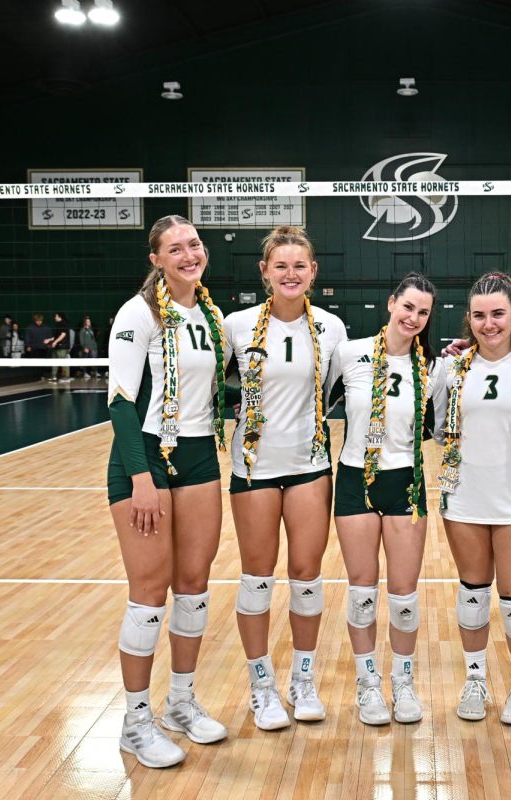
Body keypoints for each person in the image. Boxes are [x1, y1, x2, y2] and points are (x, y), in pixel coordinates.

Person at [105, 214, 228, 768]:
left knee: (194, 584)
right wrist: (141, 478)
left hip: (200, 455)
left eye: (194, 244)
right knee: (150, 592)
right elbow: (120, 401)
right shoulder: (138, 313)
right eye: (174, 248)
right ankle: (136, 720)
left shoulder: (211, 313)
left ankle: (180, 702)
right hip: (147, 457)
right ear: (155, 259)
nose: (188, 254)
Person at [222, 225, 347, 730]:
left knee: (306, 575)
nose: (291, 273)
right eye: (281, 265)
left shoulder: (331, 328)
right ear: (265, 271)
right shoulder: (235, 324)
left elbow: (349, 382)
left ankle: (303, 679)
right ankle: (261, 686)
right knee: (257, 577)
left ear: (313, 272)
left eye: (300, 265)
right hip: (253, 467)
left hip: (310, 465)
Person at [327, 273, 446, 726]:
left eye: (423, 312)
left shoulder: (433, 369)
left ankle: (403, 682)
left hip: (406, 484)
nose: (413, 317)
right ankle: (367, 684)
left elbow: (439, 427)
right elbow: (318, 404)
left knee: (403, 595)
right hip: (356, 479)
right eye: (408, 306)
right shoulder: (349, 353)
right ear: (391, 302)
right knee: (361, 591)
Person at [433, 273, 511, 726]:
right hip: (464, 498)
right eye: (479, 315)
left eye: (498, 314)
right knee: (473, 594)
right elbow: (440, 429)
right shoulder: (451, 367)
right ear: (469, 319)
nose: (489, 323)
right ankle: (475, 679)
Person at [50, 312, 72, 382]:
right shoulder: (57, 325)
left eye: (56, 316)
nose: (54, 317)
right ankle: (54, 376)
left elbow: (63, 335)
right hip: (57, 347)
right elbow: (55, 336)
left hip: (62, 347)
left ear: (59, 317)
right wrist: (49, 340)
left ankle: (66, 377)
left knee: (63, 362)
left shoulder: (64, 324)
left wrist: (55, 342)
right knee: (54, 362)